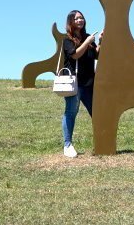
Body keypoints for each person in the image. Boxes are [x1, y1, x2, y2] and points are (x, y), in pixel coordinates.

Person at [60, 9, 102, 157]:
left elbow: (97, 55)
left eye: (82, 18)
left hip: (89, 82)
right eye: (77, 18)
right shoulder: (67, 40)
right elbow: (75, 54)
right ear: (71, 21)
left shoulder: (88, 37)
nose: (80, 20)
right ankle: (68, 145)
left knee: (96, 112)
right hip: (75, 82)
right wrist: (87, 42)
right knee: (71, 112)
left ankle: (102, 143)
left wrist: (101, 41)